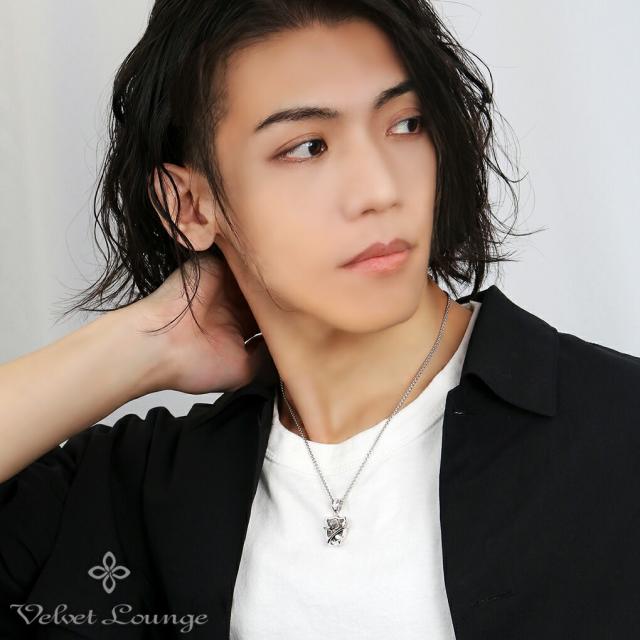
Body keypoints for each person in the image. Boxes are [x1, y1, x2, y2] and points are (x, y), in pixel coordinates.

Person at [1, 1, 639, 638]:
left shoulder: (618, 429)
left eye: (406, 124)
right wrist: (144, 343)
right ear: (189, 206)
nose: (380, 190)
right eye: (308, 147)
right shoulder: (146, 496)